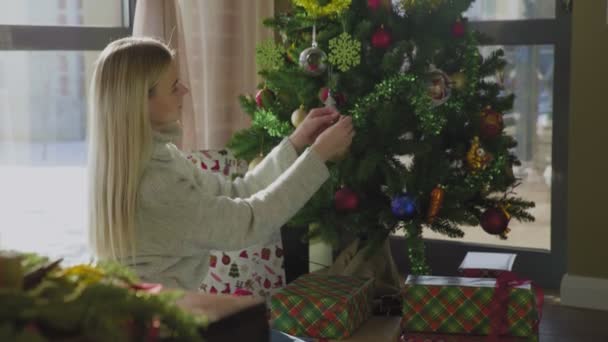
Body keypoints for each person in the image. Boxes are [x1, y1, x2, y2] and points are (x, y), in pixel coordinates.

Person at [88, 37, 354, 290]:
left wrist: (296, 143)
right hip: (155, 322)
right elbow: (248, 222)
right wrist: (317, 156)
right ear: (140, 102)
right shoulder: (155, 184)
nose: (185, 90)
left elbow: (238, 193)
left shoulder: (158, 158)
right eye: (173, 86)